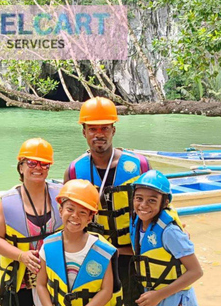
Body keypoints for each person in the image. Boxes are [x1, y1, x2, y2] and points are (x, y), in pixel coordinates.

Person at [64, 97, 150, 306]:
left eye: (104, 128)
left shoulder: (139, 165)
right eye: (93, 129)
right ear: (84, 132)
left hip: (133, 257)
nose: (99, 134)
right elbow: (67, 219)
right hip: (95, 258)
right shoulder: (74, 171)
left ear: (113, 130)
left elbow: (160, 207)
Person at [0, 138, 64, 306]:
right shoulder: (8, 202)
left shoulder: (60, 197)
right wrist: (21, 256)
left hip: (54, 279)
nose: (38, 168)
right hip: (21, 282)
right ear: (21, 166)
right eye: (31, 163)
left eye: (44, 164)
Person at [37, 179, 122, 306]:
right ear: (60, 211)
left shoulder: (102, 251)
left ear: (89, 218)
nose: (75, 216)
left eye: (82, 212)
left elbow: (107, 291)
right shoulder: (48, 246)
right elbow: (41, 284)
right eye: (70, 209)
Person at [129, 170, 203, 306]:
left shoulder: (170, 232)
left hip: (176, 298)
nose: (143, 205)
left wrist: (158, 295)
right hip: (153, 295)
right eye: (139, 198)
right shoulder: (136, 223)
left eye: (152, 200)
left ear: (165, 203)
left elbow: (196, 271)